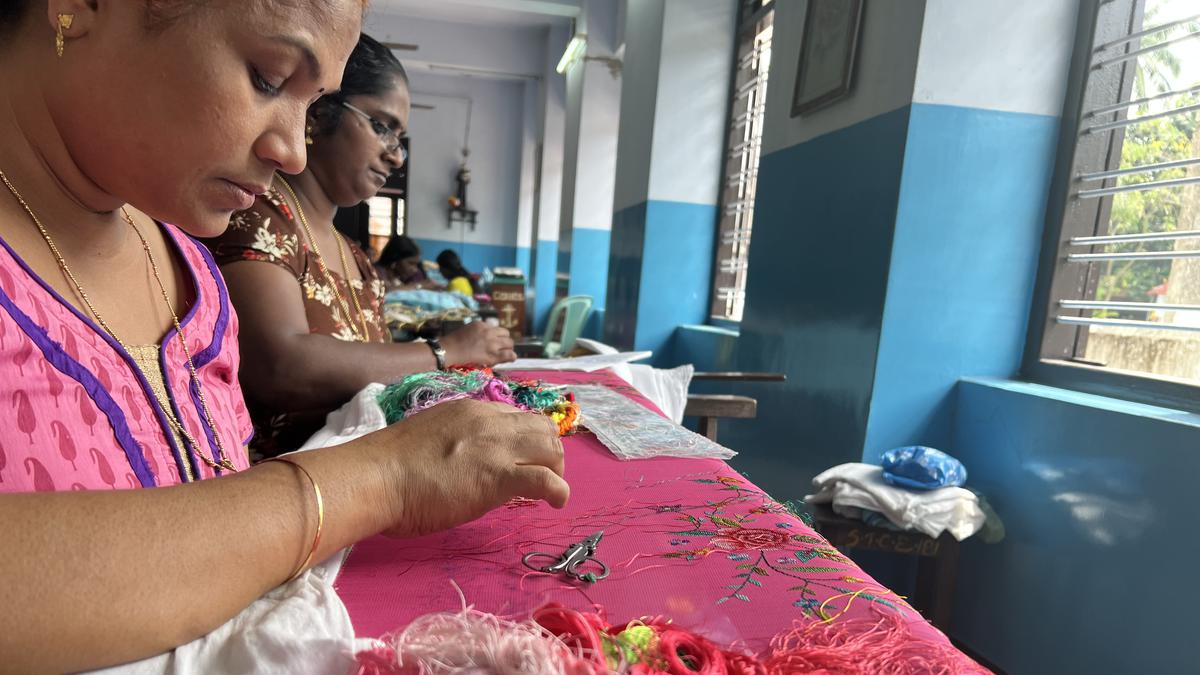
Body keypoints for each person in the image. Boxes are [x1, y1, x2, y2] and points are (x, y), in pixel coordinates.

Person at [0, 2, 566, 672]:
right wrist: (381, 476)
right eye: (268, 78)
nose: (293, 148)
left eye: (313, 103)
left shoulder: (195, 281)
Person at [206, 34, 516, 455]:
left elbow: (376, 377)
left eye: (399, 137)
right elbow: (280, 365)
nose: (396, 155)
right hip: (288, 488)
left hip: (363, 473)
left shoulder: (354, 256)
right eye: (382, 126)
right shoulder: (259, 214)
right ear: (319, 110)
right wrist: (447, 350)